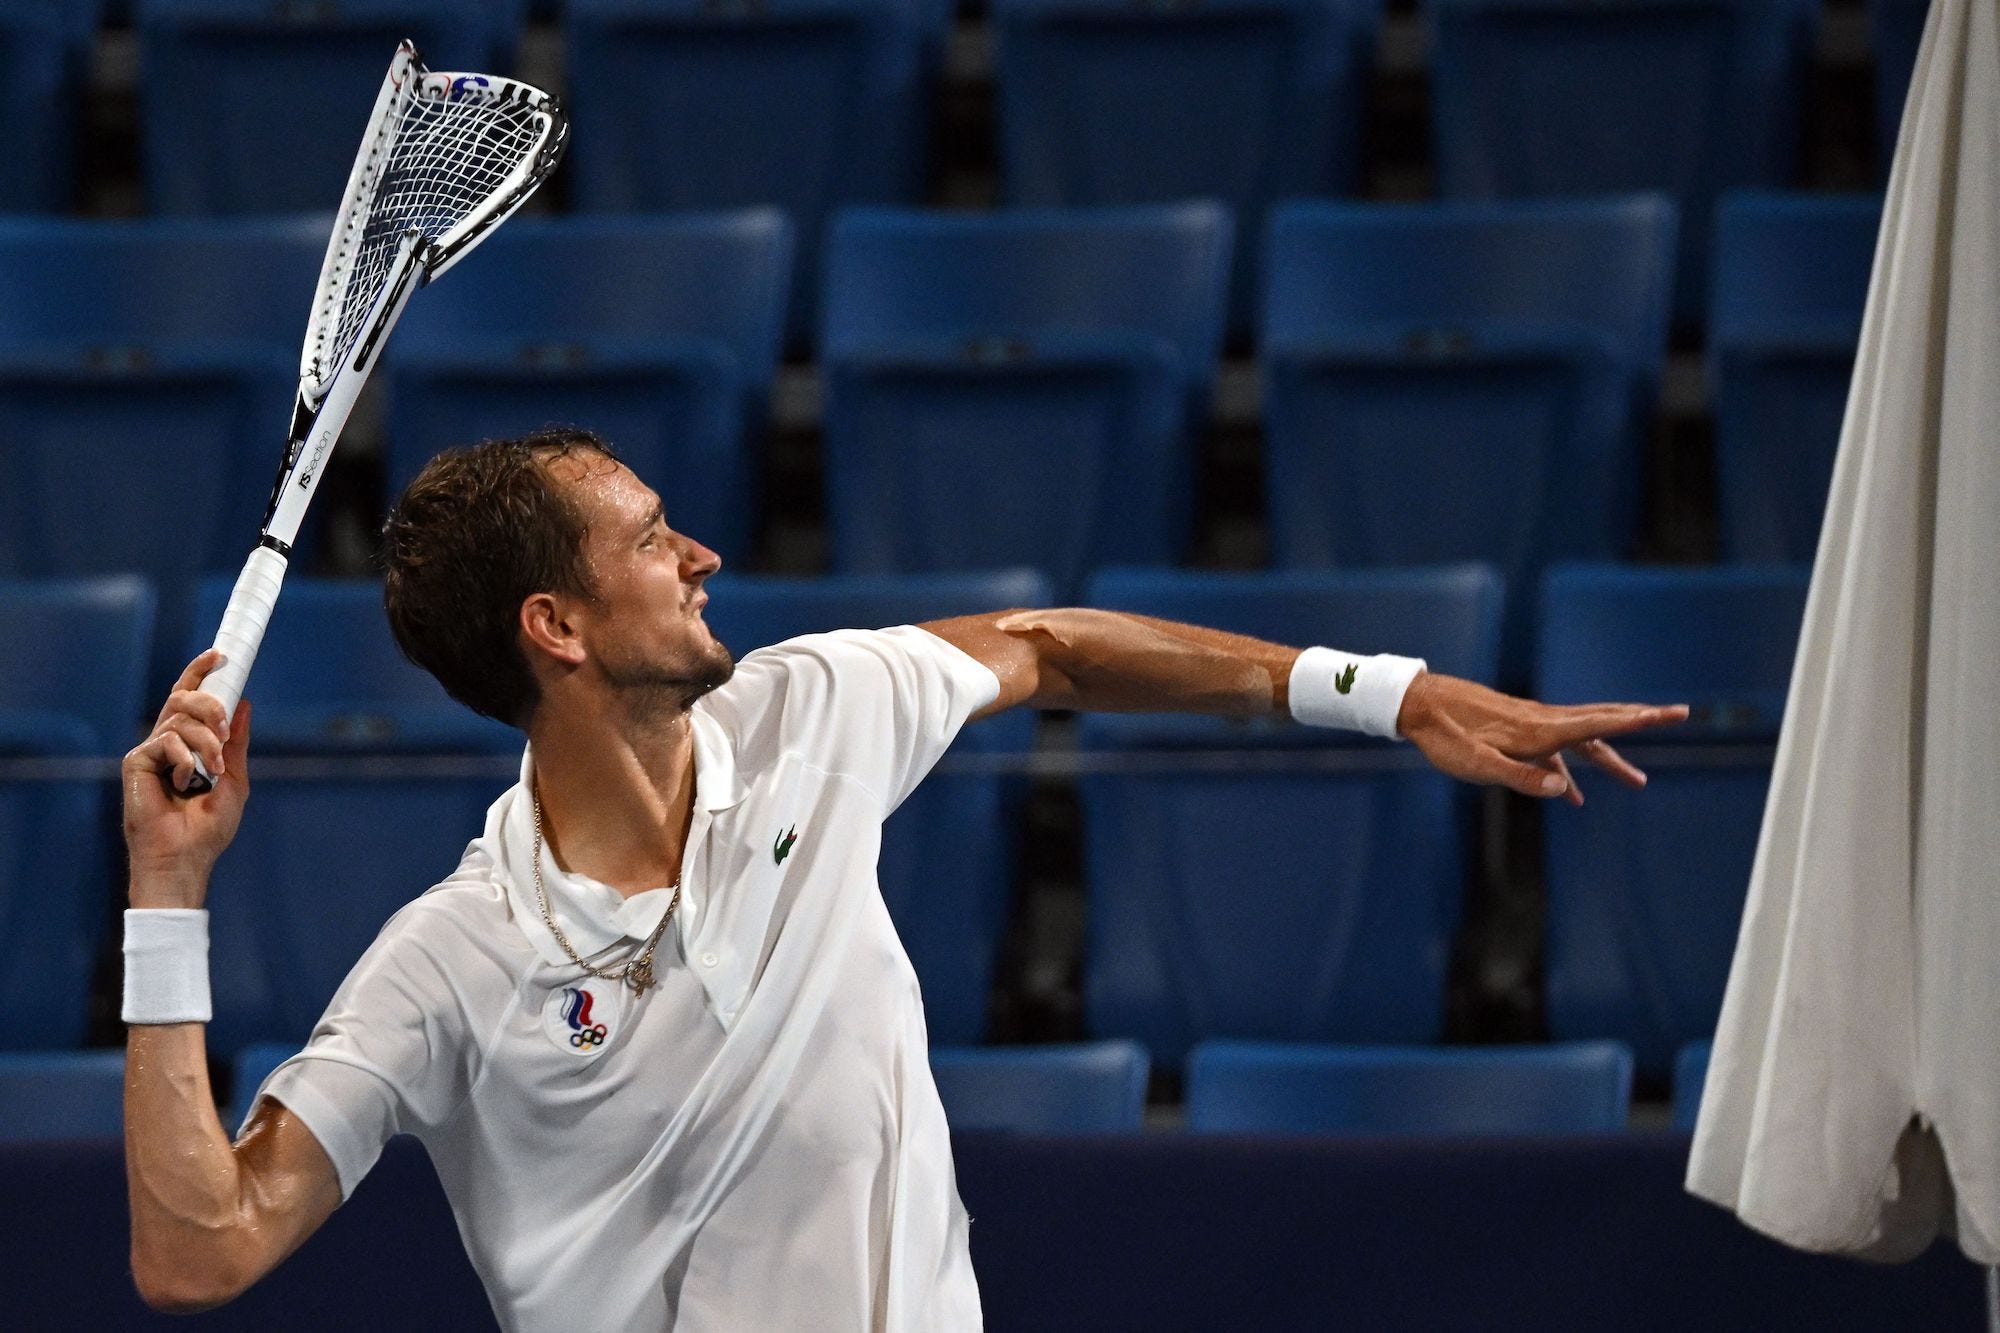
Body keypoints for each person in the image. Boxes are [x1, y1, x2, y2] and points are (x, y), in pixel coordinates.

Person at [120, 428, 1687, 1329]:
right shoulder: (450, 958)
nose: (702, 554)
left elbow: (1046, 646)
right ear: (559, 626)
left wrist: (1396, 692)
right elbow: (201, 1245)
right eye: (654, 538)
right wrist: (168, 896)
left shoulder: (809, 711)